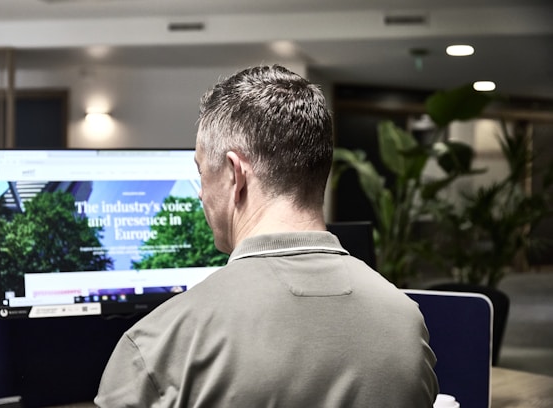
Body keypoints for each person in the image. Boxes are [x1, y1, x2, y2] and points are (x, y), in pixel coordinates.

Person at [95, 65, 439, 407]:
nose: (200, 194)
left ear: (235, 175)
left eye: (201, 173)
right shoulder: (406, 324)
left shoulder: (159, 346)